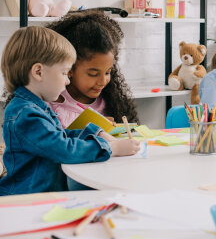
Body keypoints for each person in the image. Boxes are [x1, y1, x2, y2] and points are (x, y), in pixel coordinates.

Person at [0, 26, 140, 195]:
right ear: (38, 72)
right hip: (26, 199)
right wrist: (113, 148)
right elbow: (63, 148)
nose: (67, 81)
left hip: (45, 194)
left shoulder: (35, 108)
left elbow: (60, 136)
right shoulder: (26, 115)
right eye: (64, 73)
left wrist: (95, 133)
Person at [46, 11, 138, 127]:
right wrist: (92, 129)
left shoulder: (110, 101)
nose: (102, 81)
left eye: (108, 72)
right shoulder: (52, 102)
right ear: (69, 69)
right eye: (93, 74)